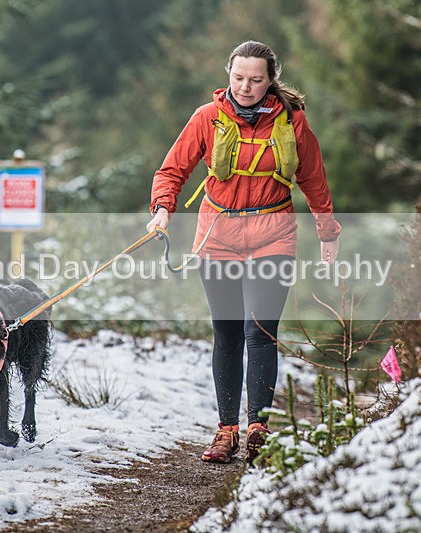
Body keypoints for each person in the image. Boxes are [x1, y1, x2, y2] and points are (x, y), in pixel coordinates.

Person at [146, 40, 341, 464]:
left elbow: (314, 179)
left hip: (274, 235)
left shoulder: (292, 122)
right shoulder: (208, 118)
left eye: (255, 80)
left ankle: (257, 429)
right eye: (238, 78)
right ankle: (225, 430)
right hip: (217, 237)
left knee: (260, 332)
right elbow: (171, 170)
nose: (246, 87)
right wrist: (162, 210)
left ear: (271, 80)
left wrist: (327, 232)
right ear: (228, 75)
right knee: (229, 334)